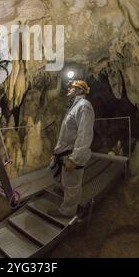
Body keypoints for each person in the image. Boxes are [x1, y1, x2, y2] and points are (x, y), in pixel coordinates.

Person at [48, 79, 95, 218]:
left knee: (72, 185)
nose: (69, 88)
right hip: (64, 153)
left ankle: (67, 211)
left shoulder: (84, 106)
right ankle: (66, 199)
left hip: (71, 154)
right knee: (65, 181)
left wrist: (75, 159)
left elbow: (85, 134)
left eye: (73, 87)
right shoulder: (75, 106)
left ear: (81, 91)